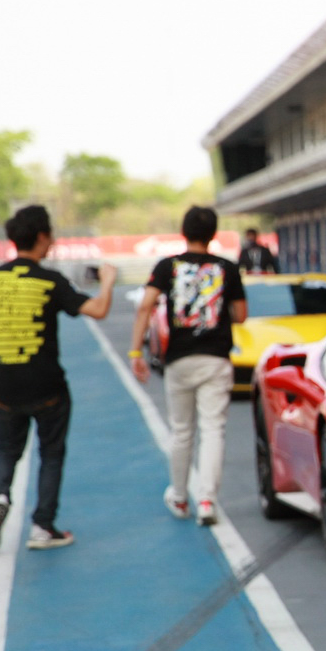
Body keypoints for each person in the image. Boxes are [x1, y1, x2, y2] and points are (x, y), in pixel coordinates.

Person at [0, 204, 116, 551]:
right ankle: (43, 527)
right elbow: (98, 310)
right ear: (43, 237)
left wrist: (7, 320)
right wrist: (106, 283)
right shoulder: (50, 280)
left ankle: (0, 495)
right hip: (47, 386)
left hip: (3, 386)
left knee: (6, 448)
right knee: (51, 453)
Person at [128, 206, 247, 526]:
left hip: (179, 358)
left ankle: (180, 498)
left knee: (182, 431)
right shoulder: (227, 267)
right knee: (213, 429)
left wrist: (135, 352)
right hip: (216, 358)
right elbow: (241, 314)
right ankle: (207, 500)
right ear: (213, 234)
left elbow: (145, 306)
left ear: (184, 231)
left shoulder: (168, 266)